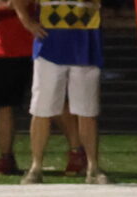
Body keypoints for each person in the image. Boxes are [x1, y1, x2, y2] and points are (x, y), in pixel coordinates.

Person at [21, 0, 107, 181]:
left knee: (87, 111)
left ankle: (93, 166)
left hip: (85, 42)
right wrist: (27, 22)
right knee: (42, 109)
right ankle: (36, 166)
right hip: (50, 45)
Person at [0, 0, 37, 172]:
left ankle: (77, 153)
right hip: (5, 48)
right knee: (4, 104)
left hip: (36, 44)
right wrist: (9, 4)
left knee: (54, 104)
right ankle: (6, 158)